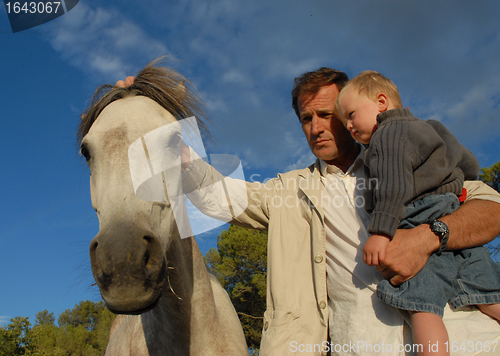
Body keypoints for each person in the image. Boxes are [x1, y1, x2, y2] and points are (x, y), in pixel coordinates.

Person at [116, 69, 500, 355]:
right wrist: (151, 119)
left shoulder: (409, 155)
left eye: (326, 114)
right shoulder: (288, 189)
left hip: (454, 335)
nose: (316, 127)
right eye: (306, 118)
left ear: (350, 114)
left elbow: (491, 208)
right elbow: (220, 198)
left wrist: (428, 236)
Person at [334, 70, 500, 355]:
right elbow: (468, 162)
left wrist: (380, 232)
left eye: (350, 115)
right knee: (487, 292)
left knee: (422, 306)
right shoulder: (432, 126)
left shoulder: (386, 135)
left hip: (415, 217)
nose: (348, 126)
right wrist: (455, 183)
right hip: (451, 210)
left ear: (382, 102)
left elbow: (393, 184)